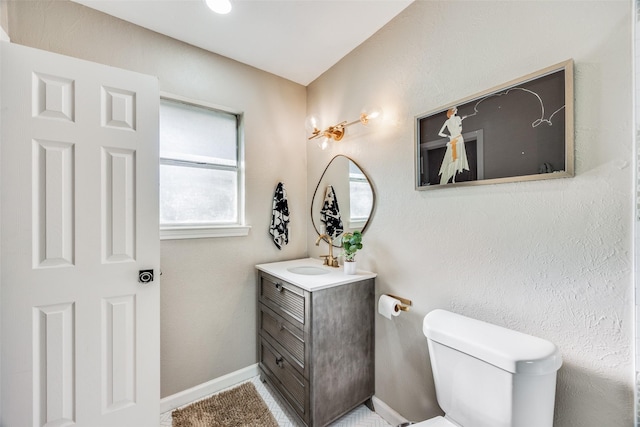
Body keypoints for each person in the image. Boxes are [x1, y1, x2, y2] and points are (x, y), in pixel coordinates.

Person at [438, 107, 470, 184]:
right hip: (458, 139)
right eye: (455, 109)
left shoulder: (447, 121)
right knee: (456, 158)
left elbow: (440, 133)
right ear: (453, 111)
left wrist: (449, 136)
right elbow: (459, 130)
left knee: (454, 158)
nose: (457, 110)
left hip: (453, 139)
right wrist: (460, 122)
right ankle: (452, 179)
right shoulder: (457, 118)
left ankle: (452, 178)